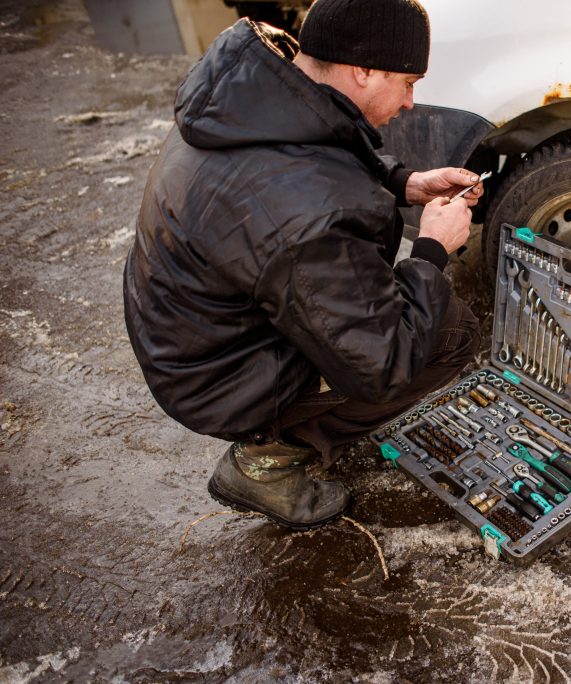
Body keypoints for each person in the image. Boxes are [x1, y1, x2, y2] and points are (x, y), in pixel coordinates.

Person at [123, 0, 482, 531]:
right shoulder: (306, 214)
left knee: (386, 312)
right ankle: (268, 461)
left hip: (187, 336)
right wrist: (432, 247)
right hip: (218, 378)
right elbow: (385, 362)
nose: (411, 102)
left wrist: (403, 182)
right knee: (448, 333)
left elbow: (314, 150)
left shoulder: (249, 98)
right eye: (407, 82)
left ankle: (286, 425)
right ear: (363, 70)